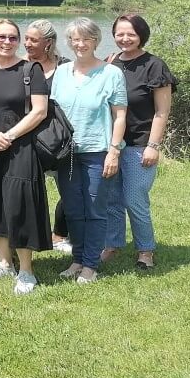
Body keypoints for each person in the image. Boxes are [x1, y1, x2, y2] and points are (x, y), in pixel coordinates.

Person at [0, 19, 51, 295]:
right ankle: (4, 263)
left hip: (21, 146)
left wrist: (9, 136)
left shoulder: (30, 69)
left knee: (20, 204)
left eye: (13, 37)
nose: (7, 42)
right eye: (1, 37)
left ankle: (26, 270)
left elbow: (39, 111)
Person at [50, 17, 128, 285]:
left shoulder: (111, 74)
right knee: (72, 208)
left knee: (94, 208)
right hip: (67, 153)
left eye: (86, 39)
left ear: (96, 41)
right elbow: (54, 112)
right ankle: (77, 259)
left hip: (98, 150)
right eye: (75, 39)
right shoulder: (62, 72)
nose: (80, 44)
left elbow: (120, 116)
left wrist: (114, 151)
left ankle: (90, 266)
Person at [102, 14, 176, 270]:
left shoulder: (154, 66)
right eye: (120, 34)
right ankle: (111, 245)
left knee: (134, 199)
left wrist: (153, 146)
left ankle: (145, 250)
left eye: (131, 34)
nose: (125, 38)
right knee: (111, 199)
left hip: (139, 145)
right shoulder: (110, 63)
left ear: (142, 35)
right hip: (112, 145)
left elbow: (162, 112)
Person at [23, 19, 73, 255]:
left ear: (49, 42)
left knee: (69, 189)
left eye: (34, 40)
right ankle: (31, 237)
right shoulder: (21, 66)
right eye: (26, 38)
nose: (27, 43)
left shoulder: (66, 67)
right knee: (29, 191)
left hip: (58, 139)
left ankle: (61, 234)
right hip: (27, 138)